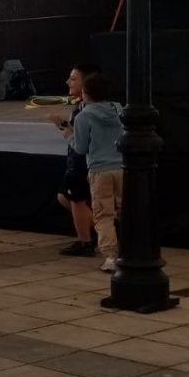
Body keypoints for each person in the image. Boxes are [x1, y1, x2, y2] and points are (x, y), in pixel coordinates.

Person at [69, 73, 123, 273]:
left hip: (100, 169)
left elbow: (81, 148)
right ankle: (133, 248)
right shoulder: (119, 109)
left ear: (87, 93)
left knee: (103, 214)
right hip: (123, 166)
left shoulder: (84, 116)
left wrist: (68, 135)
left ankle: (110, 256)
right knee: (127, 210)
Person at [48, 64, 100, 258]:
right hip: (78, 160)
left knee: (76, 199)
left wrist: (68, 132)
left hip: (81, 161)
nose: (68, 82)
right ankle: (99, 230)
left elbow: (80, 140)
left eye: (73, 78)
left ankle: (87, 240)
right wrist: (62, 124)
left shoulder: (88, 110)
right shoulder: (81, 107)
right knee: (64, 197)